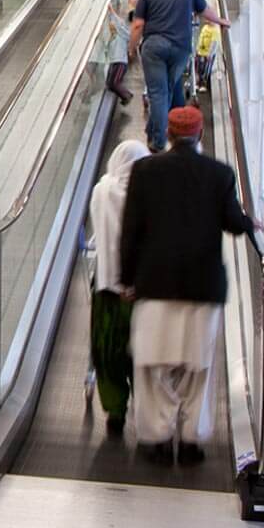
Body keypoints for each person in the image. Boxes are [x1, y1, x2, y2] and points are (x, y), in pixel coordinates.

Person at [118, 107, 254, 464]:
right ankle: (192, 439)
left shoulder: (145, 171)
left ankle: (157, 438)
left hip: (155, 284)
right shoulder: (219, 173)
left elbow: (130, 231)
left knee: (151, 368)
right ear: (200, 133)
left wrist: (127, 279)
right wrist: (251, 221)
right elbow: (235, 223)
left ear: (170, 134)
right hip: (202, 286)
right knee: (199, 369)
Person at [129, 0, 230, 151]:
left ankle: (158, 141)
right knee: (169, 86)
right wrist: (220, 21)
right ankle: (159, 130)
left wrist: (131, 48)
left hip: (154, 46)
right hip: (180, 48)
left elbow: (138, 24)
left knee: (158, 92)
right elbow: (204, 11)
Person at [89, 138, 149, 438]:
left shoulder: (102, 191)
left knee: (108, 352)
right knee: (143, 353)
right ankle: (146, 410)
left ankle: (115, 411)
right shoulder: (152, 194)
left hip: (107, 288)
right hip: (143, 292)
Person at [105, 0, 135, 105]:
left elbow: (119, 24)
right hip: (114, 63)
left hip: (120, 63)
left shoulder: (122, 34)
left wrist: (111, 11)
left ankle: (127, 95)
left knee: (114, 83)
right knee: (109, 83)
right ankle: (126, 96)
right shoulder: (112, 38)